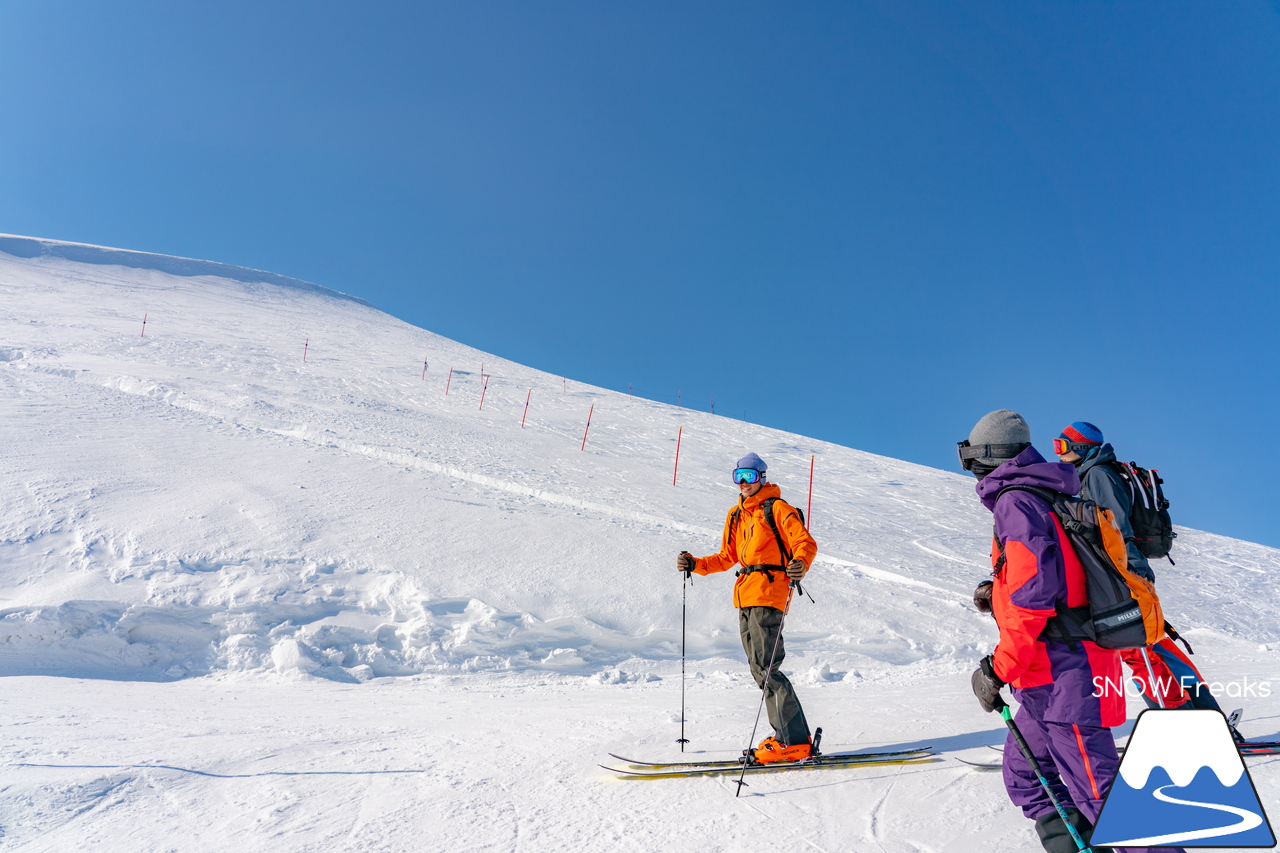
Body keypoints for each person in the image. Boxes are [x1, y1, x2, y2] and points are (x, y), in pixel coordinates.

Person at [961, 410, 1179, 853]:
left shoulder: (1017, 501)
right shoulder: (1045, 494)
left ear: (987, 454)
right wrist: (996, 589)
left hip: (1066, 677)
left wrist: (997, 668)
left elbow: (1032, 597)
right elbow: (1052, 576)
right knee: (1026, 776)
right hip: (1050, 678)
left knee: (1103, 797)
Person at [1054, 421, 1234, 725]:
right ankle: (1206, 715)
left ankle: (1182, 723)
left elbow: (1117, 528)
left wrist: (1128, 575)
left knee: (1138, 651)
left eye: (1062, 446)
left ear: (1082, 448)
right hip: (1124, 573)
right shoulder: (1094, 474)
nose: (1058, 454)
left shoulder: (1098, 475)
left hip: (1122, 575)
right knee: (1154, 645)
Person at [677, 452, 818, 764]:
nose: (743, 483)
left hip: (769, 592)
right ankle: (790, 739)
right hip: (744, 595)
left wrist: (799, 564)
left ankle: (792, 742)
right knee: (760, 669)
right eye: (738, 476)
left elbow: (805, 543)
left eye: (750, 476)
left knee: (767, 667)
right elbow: (727, 557)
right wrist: (696, 564)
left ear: (762, 478)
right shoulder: (735, 515)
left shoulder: (777, 508)